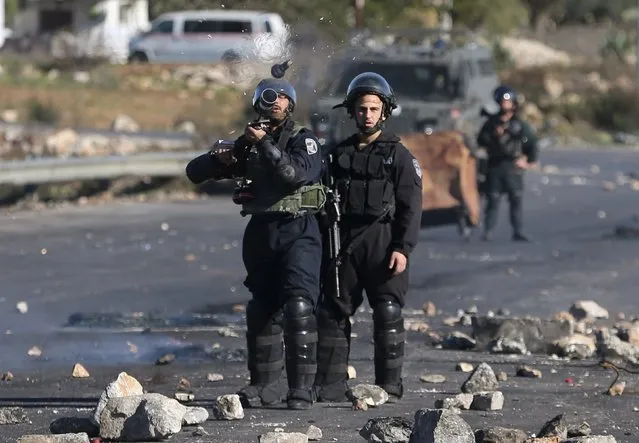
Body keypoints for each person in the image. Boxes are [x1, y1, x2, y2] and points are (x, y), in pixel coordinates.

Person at [185, 78, 325, 410]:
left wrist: (263, 144)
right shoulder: (248, 144)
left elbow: (291, 175)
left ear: (290, 106)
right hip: (261, 231)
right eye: (268, 97)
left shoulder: (304, 142)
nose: (274, 102)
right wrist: (226, 154)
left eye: (281, 99)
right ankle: (263, 385)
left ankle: (301, 389)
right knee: (261, 307)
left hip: (298, 229)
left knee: (299, 306)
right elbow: (194, 172)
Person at [313, 72, 423, 402]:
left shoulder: (399, 156)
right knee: (332, 312)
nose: (368, 115)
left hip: (383, 242)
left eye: (374, 109)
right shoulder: (334, 155)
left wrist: (403, 248)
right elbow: (319, 200)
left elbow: (411, 206)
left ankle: (388, 385)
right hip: (343, 245)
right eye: (362, 109)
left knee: (388, 311)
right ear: (352, 112)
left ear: (384, 112)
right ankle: (331, 385)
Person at [476, 85, 539, 242]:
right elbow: (481, 141)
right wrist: (494, 135)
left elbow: (532, 143)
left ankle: (518, 231)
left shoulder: (520, 125)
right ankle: (488, 231)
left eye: (509, 101)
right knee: (493, 200)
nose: (506, 105)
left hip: (513, 166)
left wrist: (528, 161)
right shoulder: (491, 123)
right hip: (495, 165)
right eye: (504, 101)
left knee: (516, 200)